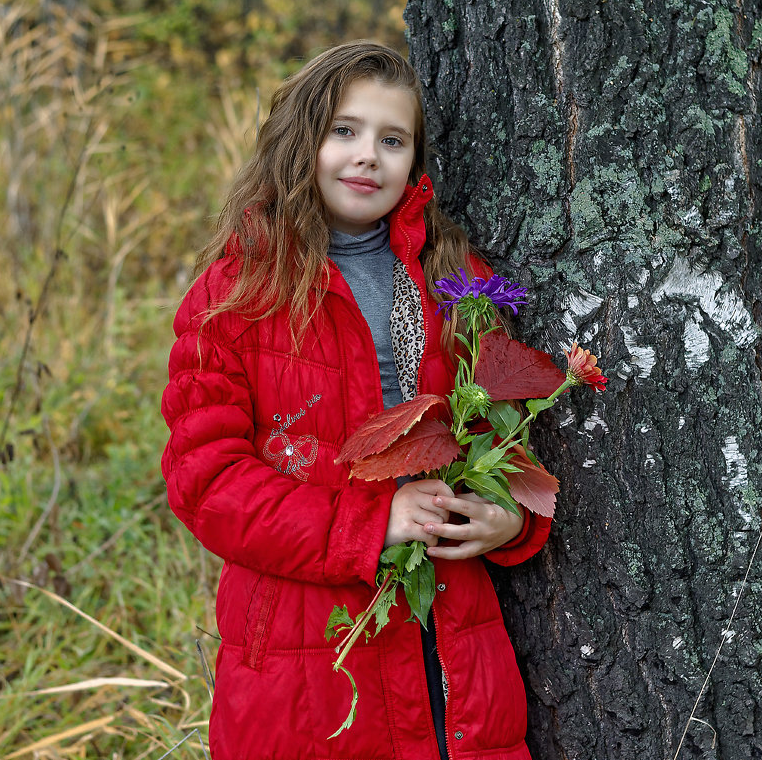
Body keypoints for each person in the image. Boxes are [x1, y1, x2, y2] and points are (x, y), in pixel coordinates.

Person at [160, 41, 551, 760]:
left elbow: (504, 428)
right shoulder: (237, 296)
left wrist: (509, 519)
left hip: (451, 642)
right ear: (300, 139)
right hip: (308, 659)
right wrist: (370, 523)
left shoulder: (452, 277)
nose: (367, 155)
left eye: (392, 139)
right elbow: (205, 481)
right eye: (344, 130)